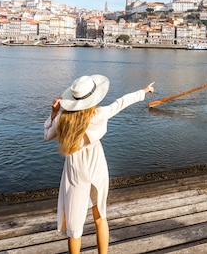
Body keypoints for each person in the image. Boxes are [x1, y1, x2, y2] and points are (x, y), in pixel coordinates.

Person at [44, 75, 155, 254]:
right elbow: (121, 102)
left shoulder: (63, 119)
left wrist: (54, 113)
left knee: (74, 226)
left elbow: (47, 136)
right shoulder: (99, 114)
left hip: (75, 169)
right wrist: (143, 91)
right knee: (100, 216)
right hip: (96, 164)